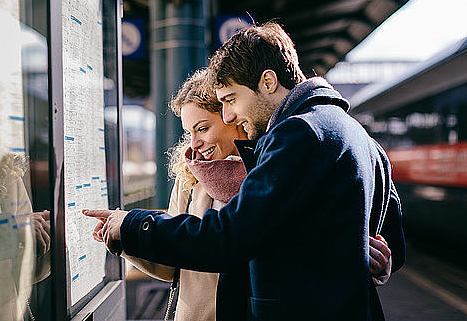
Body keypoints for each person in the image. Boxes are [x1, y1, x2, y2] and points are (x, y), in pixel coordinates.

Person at [86, 22, 405, 320]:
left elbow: (229, 237)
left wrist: (133, 224)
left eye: (231, 99)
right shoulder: (361, 137)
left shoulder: (298, 133)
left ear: (268, 81)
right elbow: (389, 240)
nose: (229, 115)